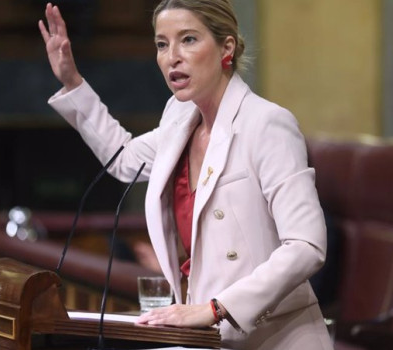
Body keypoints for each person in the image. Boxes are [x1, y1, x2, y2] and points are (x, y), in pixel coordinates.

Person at [39, 0, 332, 348]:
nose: (172, 57)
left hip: (276, 338)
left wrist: (216, 308)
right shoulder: (179, 118)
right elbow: (124, 160)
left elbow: (306, 245)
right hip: (207, 337)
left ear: (227, 48)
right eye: (162, 44)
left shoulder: (266, 124)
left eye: (188, 39)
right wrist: (72, 82)